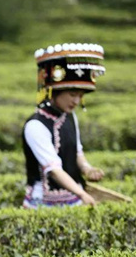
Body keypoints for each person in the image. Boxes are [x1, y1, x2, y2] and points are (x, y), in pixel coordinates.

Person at [22, 43, 106, 209]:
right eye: (72, 94)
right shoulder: (35, 125)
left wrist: (87, 169)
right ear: (54, 92)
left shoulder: (70, 116)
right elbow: (53, 169)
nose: (76, 101)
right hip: (43, 203)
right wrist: (82, 194)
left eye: (80, 96)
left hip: (74, 198)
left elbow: (76, 151)